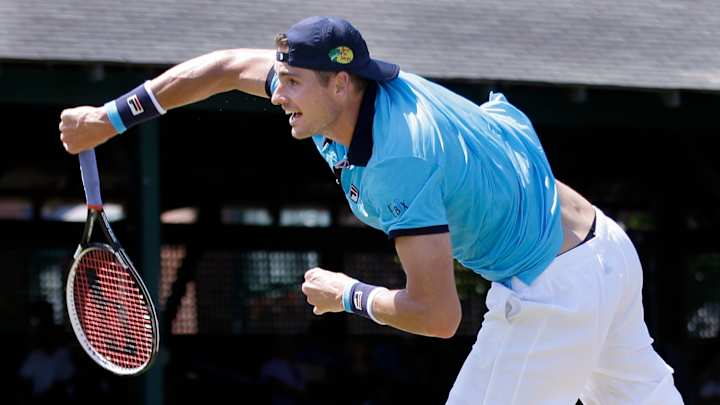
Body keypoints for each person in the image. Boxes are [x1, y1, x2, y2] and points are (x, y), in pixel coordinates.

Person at [59, 15, 684, 404]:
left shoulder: (397, 160)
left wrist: (347, 293)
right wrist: (108, 119)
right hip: (606, 246)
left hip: (553, 289)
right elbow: (223, 68)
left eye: (293, 84)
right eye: (281, 80)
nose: (280, 96)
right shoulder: (342, 90)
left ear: (341, 83)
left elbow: (438, 316)